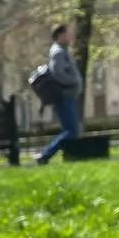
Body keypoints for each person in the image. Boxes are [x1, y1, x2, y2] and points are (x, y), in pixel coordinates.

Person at [37, 23, 83, 164]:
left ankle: (70, 157)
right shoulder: (58, 52)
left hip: (68, 97)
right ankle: (45, 155)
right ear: (60, 35)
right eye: (68, 33)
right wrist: (73, 82)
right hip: (65, 97)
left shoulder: (63, 50)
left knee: (72, 130)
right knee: (72, 130)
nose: (70, 36)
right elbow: (58, 73)